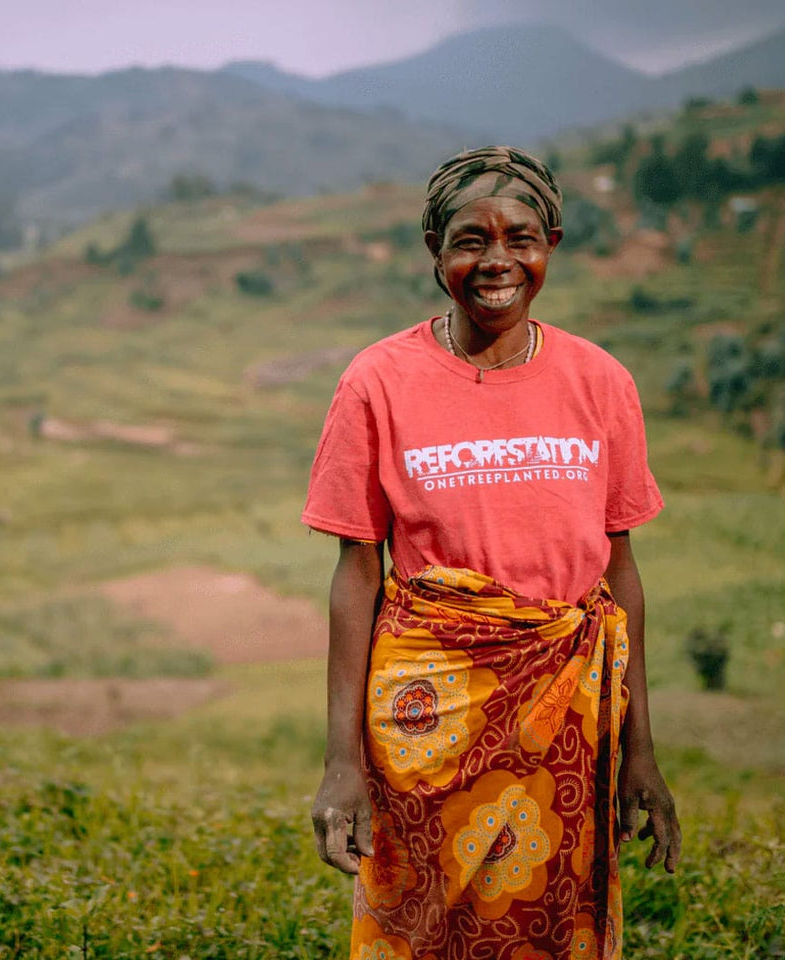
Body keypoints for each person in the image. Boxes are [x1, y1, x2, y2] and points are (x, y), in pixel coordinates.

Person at [302, 146, 680, 960]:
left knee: (549, 930)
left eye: (521, 238)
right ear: (435, 248)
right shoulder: (376, 382)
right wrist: (342, 763)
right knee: (421, 928)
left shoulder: (601, 381)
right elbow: (356, 576)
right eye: (471, 240)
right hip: (423, 723)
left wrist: (639, 750)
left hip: (570, 723)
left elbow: (620, 572)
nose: (497, 261)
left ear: (553, 242)